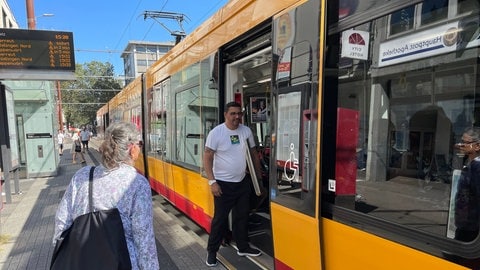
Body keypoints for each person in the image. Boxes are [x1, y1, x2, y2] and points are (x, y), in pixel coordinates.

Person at [53, 122, 159, 269]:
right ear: (132, 149)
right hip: (122, 263)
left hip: (81, 261)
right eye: (139, 144)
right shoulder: (137, 184)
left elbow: (62, 221)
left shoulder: (83, 175)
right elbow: (144, 240)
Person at [204, 101, 263, 267]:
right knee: (220, 220)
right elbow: (207, 157)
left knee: (242, 216)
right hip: (223, 184)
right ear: (225, 115)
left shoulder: (246, 131)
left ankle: (243, 247)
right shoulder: (216, 133)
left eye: (239, 113)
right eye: (233, 113)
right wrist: (212, 182)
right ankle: (211, 252)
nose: (237, 117)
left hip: (242, 182)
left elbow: (252, 153)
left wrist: (258, 179)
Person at [454, 127, 480, 242]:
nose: (460, 145)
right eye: (461, 142)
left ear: (477, 146)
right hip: (464, 223)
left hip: (471, 227)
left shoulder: (477, 168)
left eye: (465, 143)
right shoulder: (469, 162)